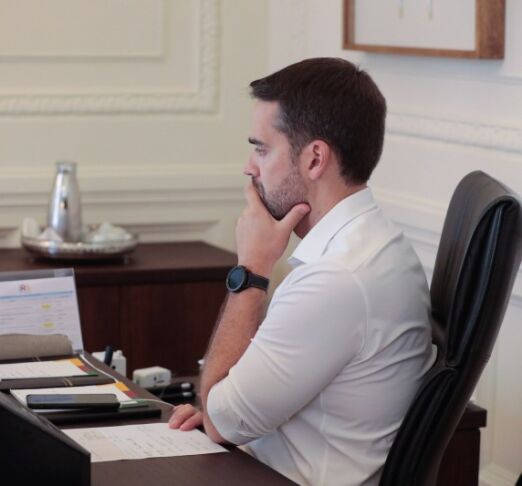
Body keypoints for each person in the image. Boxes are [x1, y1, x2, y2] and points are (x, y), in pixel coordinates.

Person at [168, 58, 433, 485]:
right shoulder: (376, 244)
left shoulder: (336, 278)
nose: (249, 167)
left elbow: (222, 422)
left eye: (261, 148)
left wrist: (251, 270)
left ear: (314, 159)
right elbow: (229, 413)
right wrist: (222, 410)